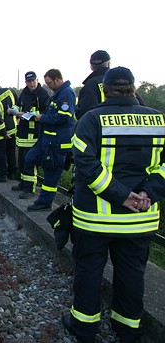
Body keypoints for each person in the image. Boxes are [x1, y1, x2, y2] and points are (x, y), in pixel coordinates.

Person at [63, 66, 165, 343]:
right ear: (134, 88)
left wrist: (122, 196)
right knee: (133, 275)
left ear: (103, 90)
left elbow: (87, 166)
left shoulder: (91, 120)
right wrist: (146, 194)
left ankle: (84, 327)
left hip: (95, 219)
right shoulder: (159, 121)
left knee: (89, 270)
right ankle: (128, 329)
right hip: (140, 219)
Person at [24, 69, 76, 211]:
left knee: (51, 174)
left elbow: (64, 117)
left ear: (56, 79)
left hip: (57, 142)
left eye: (49, 83)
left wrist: (42, 118)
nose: (48, 86)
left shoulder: (66, 94)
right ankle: (43, 200)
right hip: (47, 140)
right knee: (30, 158)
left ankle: (45, 202)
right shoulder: (57, 94)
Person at [11, 71, 50, 198]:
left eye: (33, 80)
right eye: (29, 81)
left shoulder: (43, 94)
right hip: (23, 132)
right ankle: (23, 183)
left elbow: (45, 114)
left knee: (30, 161)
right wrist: (13, 110)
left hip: (34, 133)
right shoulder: (24, 92)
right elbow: (18, 105)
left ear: (37, 80)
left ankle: (30, 189)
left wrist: (26, 114)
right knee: (22, 161)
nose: (31, 83)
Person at [75, 50, 110, 120]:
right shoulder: (124, 83)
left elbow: (84, 113)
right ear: (109, 63)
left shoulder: (90, 85)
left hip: (99, 128)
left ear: (91, 66)